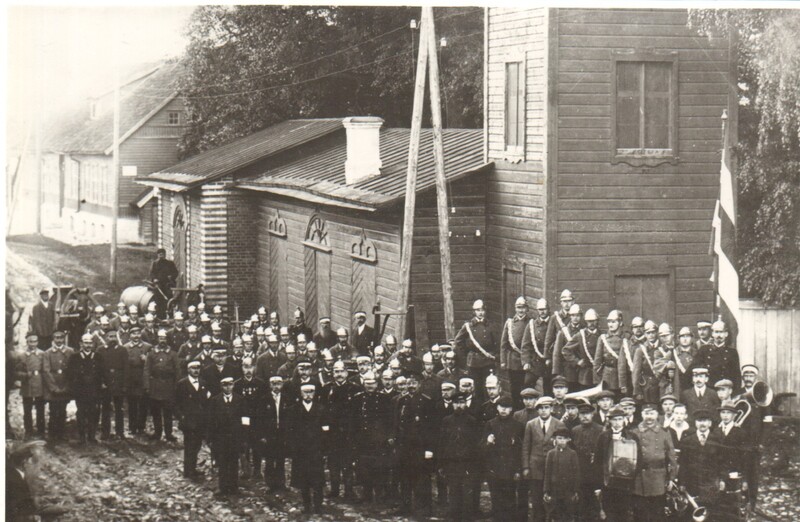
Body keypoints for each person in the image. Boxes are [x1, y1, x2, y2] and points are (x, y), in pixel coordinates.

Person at [392, 370, 436, 516]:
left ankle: (424, 509)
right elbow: (397, 424)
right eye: (408, 383)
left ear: (420, 384)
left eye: (414, 383)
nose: (411, 386)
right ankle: (405, 507)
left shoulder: (427, 401)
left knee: (422, 478)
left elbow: (431, 428)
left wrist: (429, 448)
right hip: (404, 446)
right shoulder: (401, 401)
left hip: (420, 447)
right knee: (404, 477)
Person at [437, 391, 481, 521]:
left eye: (461, 403)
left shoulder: (472, 421)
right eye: (456, 403)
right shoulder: (446, 421)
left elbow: (476, 444)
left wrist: (474, 465)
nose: (459, 406)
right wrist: (441, 464)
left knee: (467, 495)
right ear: (452, 404)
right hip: (452, 464)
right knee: (454, 493)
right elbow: (442, 443)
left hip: (467, 464)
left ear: (465, 404)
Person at [630, 402, 678, 522]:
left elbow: (671, 455)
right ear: (642, 415)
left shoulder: (664, 432)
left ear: (657, 415)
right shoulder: (634, 432)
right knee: (640, 512)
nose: (649, 417)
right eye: (646, 413)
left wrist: (671, 478)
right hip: (639, 478)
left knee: (657, 512)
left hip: (658, 477)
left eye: (652, 413)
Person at [351, 371, 393, 504]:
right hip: (363, 439)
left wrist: (387, 436)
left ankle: (380, 494)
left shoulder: (384, 398)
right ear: (364, 384)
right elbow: (354, 420)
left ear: (377, 383)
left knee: (380, 467)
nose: (370, 386)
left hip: (379, 439)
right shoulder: (358, 398)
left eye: (373, 383)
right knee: (364, 466)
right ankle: (367, 493)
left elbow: (390, 420)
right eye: (367, 383)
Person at [321, 359, 361, 500]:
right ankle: (335, 489)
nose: (339, 374)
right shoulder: (327, 389)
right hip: (332, 432)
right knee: (333, 462)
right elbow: (323, 410)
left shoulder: (355, 388)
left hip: (349, 432)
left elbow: (358, 413)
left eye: (341, 371)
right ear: (332, 373)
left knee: (348, 462)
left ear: (346, 372)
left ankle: (349, 491)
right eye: (336, 371)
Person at [522, 396, 566, 522]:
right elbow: (526, 446)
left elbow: (563, 447)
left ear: (551, 409)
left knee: (554, 502)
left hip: (553, 469)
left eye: (546, 408)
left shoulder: (559, 424)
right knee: (537, 502)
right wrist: (526, 466)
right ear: (537, 410)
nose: (543, 411)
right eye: (540, 408)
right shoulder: (531, 424)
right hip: (535, 469)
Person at [287, 383, 329, 514]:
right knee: (303, 480)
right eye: (305, 392)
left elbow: (326, 430)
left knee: (317, 480)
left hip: (316, 450)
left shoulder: (321, 409)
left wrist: (324, 449)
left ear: (314, 394)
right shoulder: (294, 409)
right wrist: (293, 448)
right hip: (301, 451)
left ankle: (318, 505)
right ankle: (306, 504)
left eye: (311, 392)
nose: (308, 395)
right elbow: (290, 431)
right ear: (301, 394)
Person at [483, 395, 525, 522]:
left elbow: (520, 450)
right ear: (497, 407)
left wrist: (518, 470)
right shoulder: (490, 424)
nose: (504, 410)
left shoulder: (518, 426)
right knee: (496, 500)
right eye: (501, 407)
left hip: (510, 469)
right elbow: (482, 448)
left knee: (510, 499)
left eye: (507, 407)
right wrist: (488, 442)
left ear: (511, 409)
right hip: (494, 469)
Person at [595, 407, 640, 522]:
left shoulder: (632, 436)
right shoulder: (603, 436)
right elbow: (598, 461)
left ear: (624, 420)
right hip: (608, 483)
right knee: (609, 513)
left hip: (625, 483)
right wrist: (600, 484)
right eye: (614, 420)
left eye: (620, 419)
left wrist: (632, 478)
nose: (617, 423)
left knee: (624, 513)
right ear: (610, 421)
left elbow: (639, 460)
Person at [677, 409, 721, 515]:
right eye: (699, 421)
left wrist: (721, 479)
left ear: (710, 423)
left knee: (710, 512)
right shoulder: (687, 440)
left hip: (710, 483)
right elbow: (683, 463)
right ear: (695, 423)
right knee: (692, 512)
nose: (702, 423)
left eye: (705, 420)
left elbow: (721, 462)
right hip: (692, 483)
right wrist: (682, 482)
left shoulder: (717, 440)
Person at [454, 299, 498, 400]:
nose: (480, 312)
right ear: (474, 312)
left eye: (482, 310)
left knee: (487, 387)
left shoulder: (490, 325)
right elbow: (458, 340)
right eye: (478, 310)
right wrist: (467, 353)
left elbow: (496, 342)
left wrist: (494, 355)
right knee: (476, 389)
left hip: (487, 361)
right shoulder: (468, 326)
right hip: (474, 362)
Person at [175, 360, 211, 479]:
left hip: (200, 420)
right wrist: (181, 416)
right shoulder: (182, 384)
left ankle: (193, 468)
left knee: (197, 445)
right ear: (188, 370)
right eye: (193, 368)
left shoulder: (203, 383)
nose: (196, 371)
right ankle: (188, 471)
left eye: (198, 368)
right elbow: (176, 402)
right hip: (188, 421)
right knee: (189, 445)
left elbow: (205, 402)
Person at [210, 377, 244, 497]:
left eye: (230, 385)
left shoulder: (240, 400)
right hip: (221, 437)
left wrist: (243, 436)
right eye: (225, 385)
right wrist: (211, 439)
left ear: (233, 385)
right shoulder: (215, 400)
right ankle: (223, 487)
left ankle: (234, 487)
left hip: (235, 437)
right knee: (223, 462)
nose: (228, 388)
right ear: (221, 386)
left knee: (234, 462)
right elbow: (211, 421)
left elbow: (244, 419)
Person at [68, 333, 104, 443]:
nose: (88, 345)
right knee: (81, 413)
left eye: (90, 343)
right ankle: (82, 436)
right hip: (81, 390)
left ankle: (92, 436)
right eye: (86, 343)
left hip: (94, 389)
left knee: (94, 412)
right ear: (81, 344)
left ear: (93, 344)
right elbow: (70, 374)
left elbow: (102, 373)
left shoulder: (98, 356)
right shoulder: (75, 357)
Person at [143, 332, 179, 442]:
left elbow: (178, 370)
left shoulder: (173, 354)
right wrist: (147, 385)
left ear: (167, 340)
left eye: (164, 338)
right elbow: (147, 370)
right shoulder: (152, 354)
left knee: (168, 412)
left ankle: (169, 434)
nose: (162, 340)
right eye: (160, 338)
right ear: (157, 339)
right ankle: (157, 433)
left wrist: (177, 385)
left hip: (168, 385)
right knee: (156, 411)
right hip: (155, 385)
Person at [258, 375, 292, 491]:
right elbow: (260, 419)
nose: (276, 386)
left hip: (282, 434)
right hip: (269, 435)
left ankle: (281, 483)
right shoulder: (264, 399)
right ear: (270, 385)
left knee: (281, 459)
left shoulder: (287, 399)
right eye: (273, 383)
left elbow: (290, 418)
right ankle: (270, 484)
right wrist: (262, 435)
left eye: (278, 383)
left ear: (282, 385)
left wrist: (289, 434)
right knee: (270, 459)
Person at [234, 357, 266, 479]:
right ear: (242, 368)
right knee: (244, 444)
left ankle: (257, 470)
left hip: (257, 420)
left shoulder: (260, 384)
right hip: (242, 420)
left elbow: (263, 404)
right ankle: (245, 469)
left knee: (257, 445)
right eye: (245, 367)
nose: (248, 370)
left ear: (254, 368)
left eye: (251, 367)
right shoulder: (237, 385)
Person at [572, 402, 604, 521]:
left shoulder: (600, 429)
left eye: (588, 414)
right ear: (578, 415)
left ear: (592, 415)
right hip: (580, 473)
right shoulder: (575, 430)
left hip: (595, 473)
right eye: (582, 414)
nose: (585, 416)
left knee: (595, 504)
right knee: (581, 504)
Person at [544, 428, 580, 522]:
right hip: (554, 490)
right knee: (554, 514)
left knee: (567, 514)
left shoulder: (572, 453)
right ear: (555, 439)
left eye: (564, 438)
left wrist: (575, 490)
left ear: (568, 440)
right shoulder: (551, 453)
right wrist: (546, 491)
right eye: (559, 438)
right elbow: (547, 473)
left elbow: (576, 473)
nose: (562, 441)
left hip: (568, 490)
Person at [502, 296, 531, 409]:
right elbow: (503, 344)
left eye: (523, 308)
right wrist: (503, 361)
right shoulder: (509, 323)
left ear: (527, 309)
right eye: (518, 308)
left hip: (527, 361)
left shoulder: (531, 322)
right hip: (513, 361)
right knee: (514, 388)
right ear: (515, 309)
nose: (521, 310)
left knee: (526, 388)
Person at [16, 333, 47, 439]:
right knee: (27, 409)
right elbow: (16, 372)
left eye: (35, 341)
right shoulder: (21, 355)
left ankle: (41, 430)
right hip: (27, 384)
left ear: (38, 342)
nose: (33, 344)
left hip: (39, 383)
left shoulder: (42, 354)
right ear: (27, 342)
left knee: (40, 408)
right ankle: (28, 430)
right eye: (30, 341)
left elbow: (45, 369)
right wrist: (25, 375)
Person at [99, 330, 128, 439]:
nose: (112, 339)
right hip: (106, 383)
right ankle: (105, 432)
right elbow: (98, 369)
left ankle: (120, 432)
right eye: (110, 336)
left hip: (118, 382)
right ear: (106, 338)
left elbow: (126, 368)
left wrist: (124, 384)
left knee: (119, 409)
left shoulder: (122, 350)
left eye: (114, 336)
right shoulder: (101, 350)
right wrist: (101, 382)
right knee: (105, 408)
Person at [693, 320, 740, 386]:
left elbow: (737, 377)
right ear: (712, 334)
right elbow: (694, 370)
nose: (719, 335)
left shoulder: (732, 352)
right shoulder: (703, 350)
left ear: (726, 334)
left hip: (724, 389)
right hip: (708, 390)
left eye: (721, 332)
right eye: (716, 332)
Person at [593, 310, 629, 396]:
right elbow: (597, 362)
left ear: (620, 323)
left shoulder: (626, 337)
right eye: (609, 322)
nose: (610, 325)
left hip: (624, 377)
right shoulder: (602, 338)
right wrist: (597, 381)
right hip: (608, 377)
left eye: (613, 322)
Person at [522, 298, 551, 396]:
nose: (542, 312)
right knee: (527, 384)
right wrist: (526, 362)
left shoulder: (553, 323)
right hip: (536, 361)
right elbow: (525, 346)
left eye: (544, 309)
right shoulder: (532, 325)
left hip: (549, 362)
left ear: (548, 309)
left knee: (549, 389)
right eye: (540, 310)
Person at [124, 326, 150, 435]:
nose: (136, 336)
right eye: (133, 334)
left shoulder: (147, 347)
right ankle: (132, 426)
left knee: (143, 402)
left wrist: (146, 359)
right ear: (130, 336)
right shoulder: (125, 347)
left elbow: (152, 362)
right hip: (131, 377)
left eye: (138, 333)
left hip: (142, 376)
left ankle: (141, 426)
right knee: (132, 402)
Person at [633, 321, 663, 404]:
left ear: (657, 332)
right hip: (647, 386)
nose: (651, 335)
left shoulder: (663, 347)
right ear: (645, 334)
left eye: (653, 332)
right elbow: (636, 371)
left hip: (661, 384)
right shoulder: (641, 350)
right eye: (648, 333)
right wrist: (637, 391)